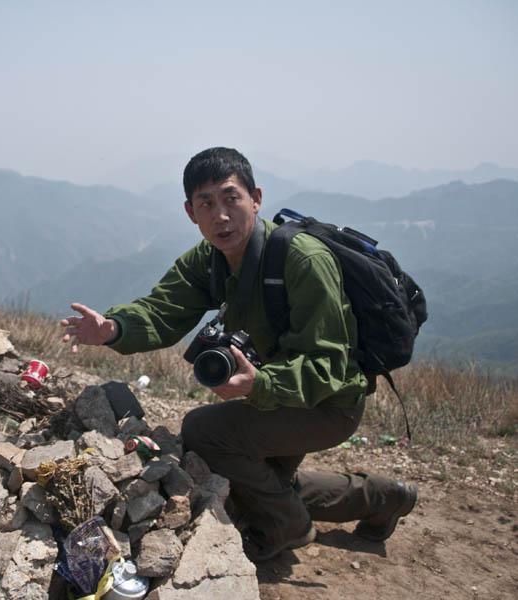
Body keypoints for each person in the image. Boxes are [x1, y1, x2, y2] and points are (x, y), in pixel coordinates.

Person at [60, 147, 418, 561]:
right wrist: (114, 328)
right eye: (206, 203)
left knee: (204, 432)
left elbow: (328, 366)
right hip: (279, 397)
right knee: (260, 487)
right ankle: (383, 497)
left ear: (256, 198)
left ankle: (290, 528)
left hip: (327, 403)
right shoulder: (211, 258)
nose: (221, 215)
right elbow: (164, 309)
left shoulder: (303, 261)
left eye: (231, 198)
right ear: (190, 213)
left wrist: (261, 384)